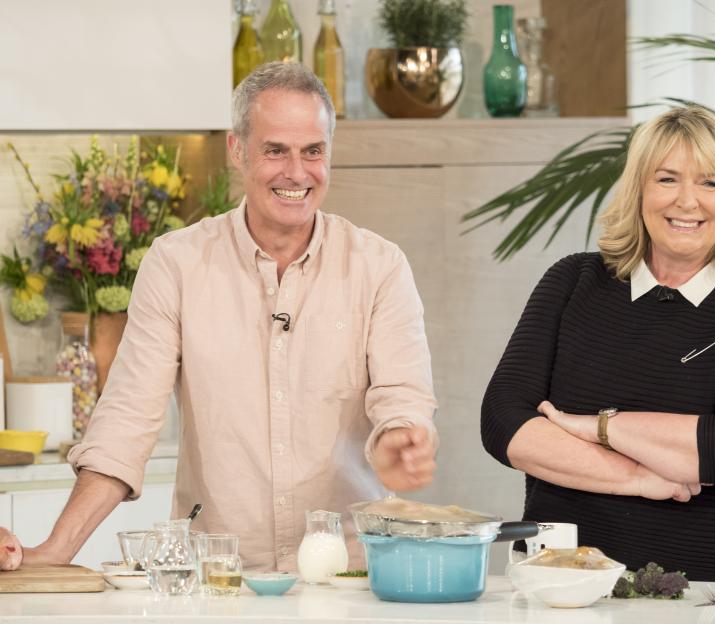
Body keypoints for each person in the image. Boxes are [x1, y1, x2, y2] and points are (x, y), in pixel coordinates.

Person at [0, 62, 438, 572]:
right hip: (216, 576)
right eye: (275, 150)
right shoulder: (177, 263)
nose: (296, 172)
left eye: (312, 151)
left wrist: (399, 439)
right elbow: (126, 421)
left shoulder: (380, 265)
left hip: (349, 571)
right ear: (238, 150)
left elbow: (402, 398)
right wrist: (55, 551)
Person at [480, 105, 715, 583]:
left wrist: (591, 428)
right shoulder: (572, 281)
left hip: (709, 579)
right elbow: (504, 425)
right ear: (639, 191)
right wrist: (642, 479)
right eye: (667, 179)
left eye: (710, 182)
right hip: (563, 575)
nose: (688, 202)